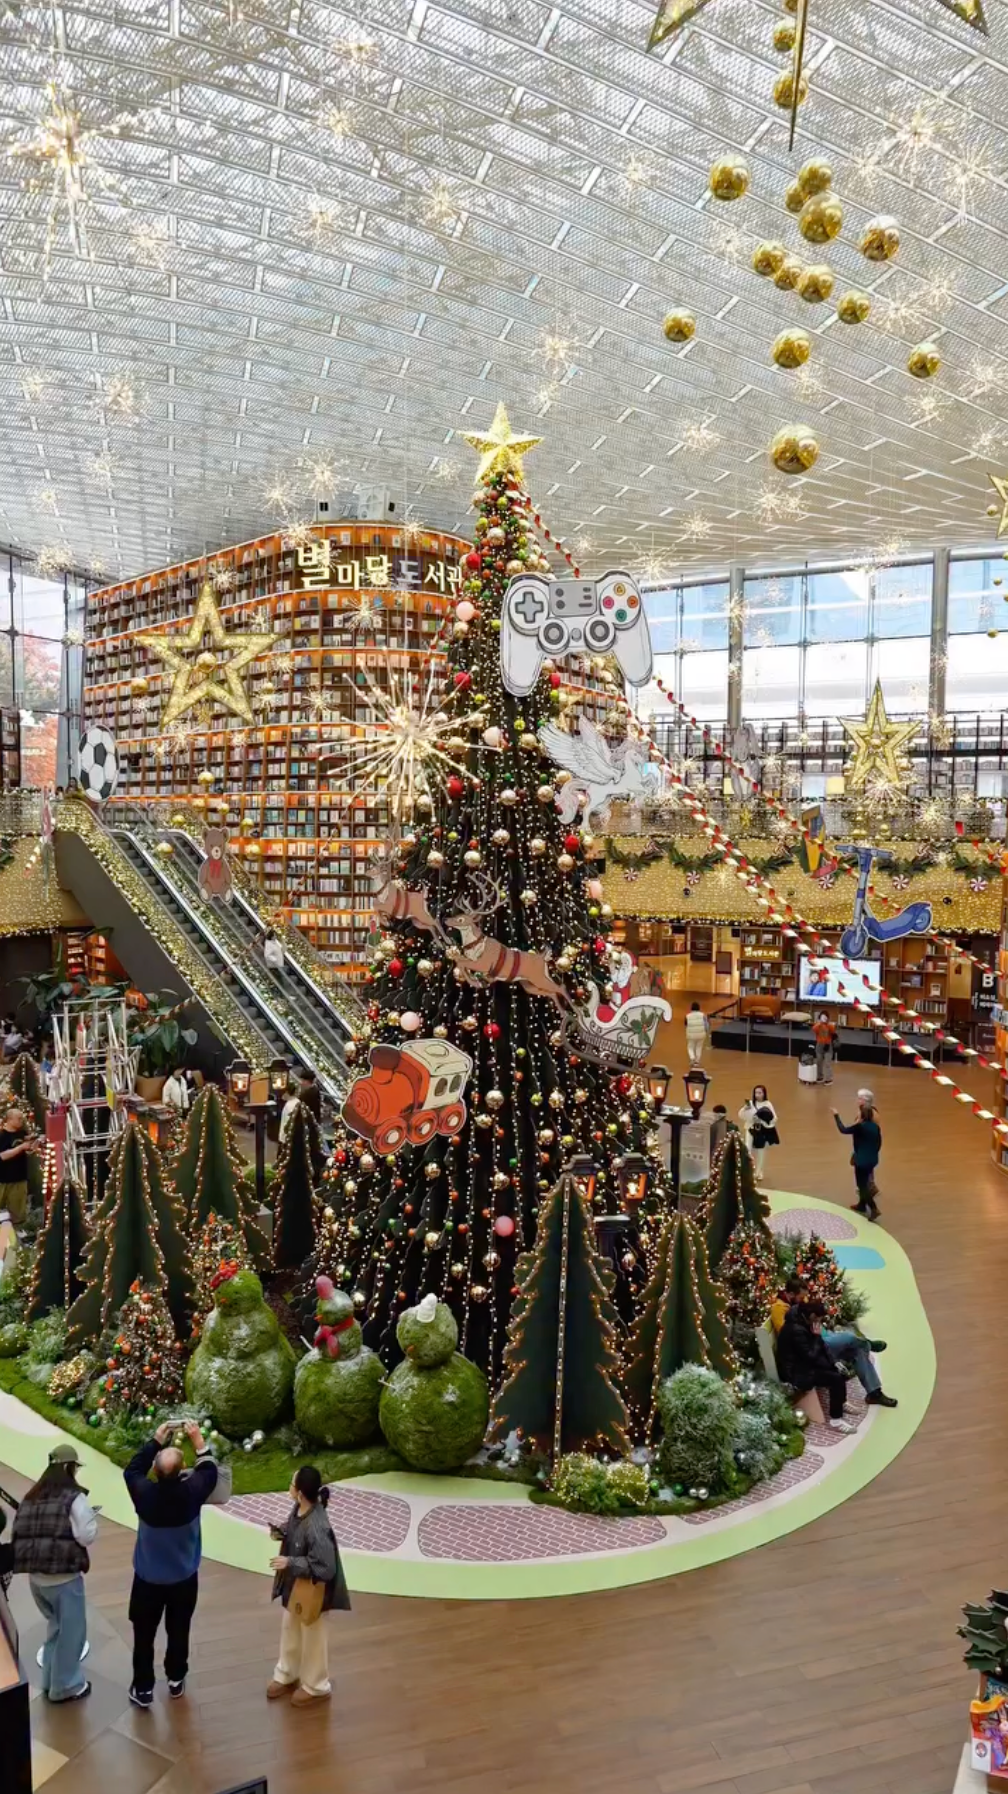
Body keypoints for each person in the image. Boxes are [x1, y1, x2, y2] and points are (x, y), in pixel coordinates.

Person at [123, 1420, 218, 1709]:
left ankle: (143, 1688)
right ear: (181, 1470)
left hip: (147, 1581)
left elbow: (132, 1470)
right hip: (183, 1580)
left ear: (156, 1470)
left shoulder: (144, 1494)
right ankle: (176, 1679)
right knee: (179, 1630)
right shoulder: (193, 1493)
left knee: (143, 1634)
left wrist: (155, 1439)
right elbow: (210, 1470)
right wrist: (198, 1439)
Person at [10, 1442, 97, 1703]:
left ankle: (50, 1680)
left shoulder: (31, 1496)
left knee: (55, 1627)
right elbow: (86, 1535)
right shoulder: (74, 1497)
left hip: (36, 1581)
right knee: (72, 1633)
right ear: (70, 1467)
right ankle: (66, 1687)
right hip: (64, 1579)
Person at [267, 1465, 349, 1708]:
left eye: (292, 1484)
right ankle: (287, 1673)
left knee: (313, 1637)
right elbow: (294, 1525)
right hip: (296, 1586)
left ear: (300, 1493)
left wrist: (289, 1561)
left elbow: (325, 1568)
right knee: (290, 1628)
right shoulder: (301, 1508)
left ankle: (316, 1685)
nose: (289, 1488)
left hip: (314, 1592)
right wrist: (283, 1532)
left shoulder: (318, 1527)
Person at [770, 1278, 897, 1408]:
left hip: (822, 1336)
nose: (804, 1300)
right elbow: (791, 1336)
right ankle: (869, 1344)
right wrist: (816, 1334)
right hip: (815, 1344)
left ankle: (874, 1393)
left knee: (857, 1352)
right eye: (801, 1297)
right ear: (791, 1294)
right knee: (849, 1338)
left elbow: (811, 1319)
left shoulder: (798, 1304)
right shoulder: (779, 1309)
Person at [776, 1299, 854, 1433]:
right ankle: (836, 1420)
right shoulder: (796, 1330)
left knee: (837, 1370)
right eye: (819, 1318)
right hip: (796, 1373)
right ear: (812, 1315)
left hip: (804, 1364)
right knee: (836, 1379)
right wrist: (817, 1338)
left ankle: (840, 1401)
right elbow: (810, 1356)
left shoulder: (804, 1321)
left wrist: (834, 1361)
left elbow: (821, 1346)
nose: (820, 1322)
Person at [833, 1101, 882, 1220]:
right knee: (864, 1181)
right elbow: (879, 1143)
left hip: (861, 1161)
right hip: (872, 1159)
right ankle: (861, 1205)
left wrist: (836, 1115)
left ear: (862, 1115)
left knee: (862, 1185)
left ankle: (874, 1208)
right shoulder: (875, 1127)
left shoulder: (860, 1127)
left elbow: (843, 1129)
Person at [0, 1108, 39, 1226]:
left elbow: (28, 1151)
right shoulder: (2, 1136)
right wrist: (21, 1147)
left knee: (18, 1215)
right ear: (10, 1120)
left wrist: (34, 1145)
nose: (22, 1121)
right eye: (19, 1118)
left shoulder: (22, 1134)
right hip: (2, 1180)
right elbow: (2, 1156)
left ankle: (15, 1238)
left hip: (19, 1179)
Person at [738, 1085, 779, 1182]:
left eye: (760, 1093)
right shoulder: (751, 1104)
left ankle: (759, 1172)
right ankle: (747, 1171)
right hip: (751, 1129)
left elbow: (774, 1119)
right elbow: (741, 1115)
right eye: (756, 1093)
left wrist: (762, 1120)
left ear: (764, 1093)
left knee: (761, 1151)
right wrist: (745, 1109)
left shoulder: (768, 1104)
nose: (758, 1095)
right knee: (748, 1149)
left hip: (762, 1131)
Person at [812, 1011, 837, 1083]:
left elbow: (833, 1032)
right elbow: (814, 1029)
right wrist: (820, 1023)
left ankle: (829, 1079)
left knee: (827, 1063)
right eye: (822, 1016)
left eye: (825, 1017)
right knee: (819, 1062)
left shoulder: (830, 1025)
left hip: (828, 1046)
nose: (824, 1018)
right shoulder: (818, 1025)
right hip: (819, 1045)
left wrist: (827, 1024)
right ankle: (819, 1077)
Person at [684, 1001, 710, 1067]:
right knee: (699, 1047)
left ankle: (692, 1058)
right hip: (701, 1035)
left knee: (690, 1047)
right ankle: (697, 1062)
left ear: (691, 1008)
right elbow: (706, 1025)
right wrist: (706, 1032)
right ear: (699, 1008)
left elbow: (686, 1025)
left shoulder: (687, 1016)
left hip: (691, 1035)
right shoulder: (703, 1015)